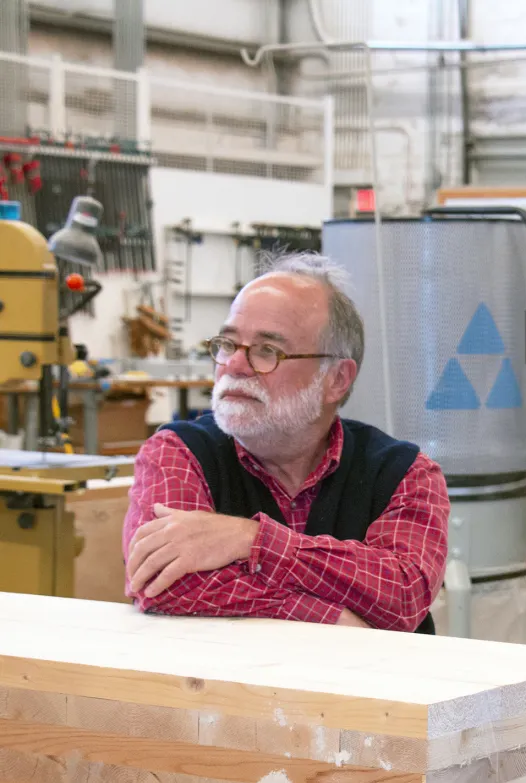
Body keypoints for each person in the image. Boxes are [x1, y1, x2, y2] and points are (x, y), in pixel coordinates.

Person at [122, 252, 449, 632]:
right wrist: (329, 617)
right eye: (227, 344)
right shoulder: (178, 453)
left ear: (337, 379)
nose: (235, 366)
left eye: (267, 351)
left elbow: (403, 594)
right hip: (230, 688)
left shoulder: (404, 474)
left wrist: (251, 540)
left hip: (369, 687)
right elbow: (164, 585)